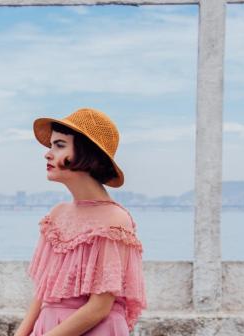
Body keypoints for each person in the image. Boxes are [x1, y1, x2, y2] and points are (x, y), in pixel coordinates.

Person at [14, 108, 147, 336]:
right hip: (48, 326)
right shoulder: (56, 215)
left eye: (59, 145)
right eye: (51, 146)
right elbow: (44, 292)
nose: (48, 154)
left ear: (87, 153)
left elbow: (99, 308)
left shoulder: (115, 220)